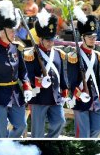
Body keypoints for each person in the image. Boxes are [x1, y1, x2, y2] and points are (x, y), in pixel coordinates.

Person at [0, 0, 32, 138]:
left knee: (21, 125)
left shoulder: (16, 47)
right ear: (2, 31)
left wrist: (27, 86)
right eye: (11, 30)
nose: (14, 33)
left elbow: (23, 71)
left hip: (15, 93)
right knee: (1, 132)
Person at [25, 8, 70, 138]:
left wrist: (65, 91)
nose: (51, 43)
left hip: (55, 96)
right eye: (48, 40)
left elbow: (61, 74)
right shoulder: (32, 54)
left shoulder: (58, 54)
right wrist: (39, 82)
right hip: (38, 98)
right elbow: (27, 76)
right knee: (37, 131)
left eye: (52, 39)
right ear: (41, 39)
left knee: (60, 121)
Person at [67, 7, 100, 138]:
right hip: (81, 99)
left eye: (94, 36)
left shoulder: (96, 55)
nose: (93, 39)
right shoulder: (74, 56)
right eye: (89, 36)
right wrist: (78, 95)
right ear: (82, 37)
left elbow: (97, 79)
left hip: (95, 98)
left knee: (98, 128)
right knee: (83, 134)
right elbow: (71, 82)